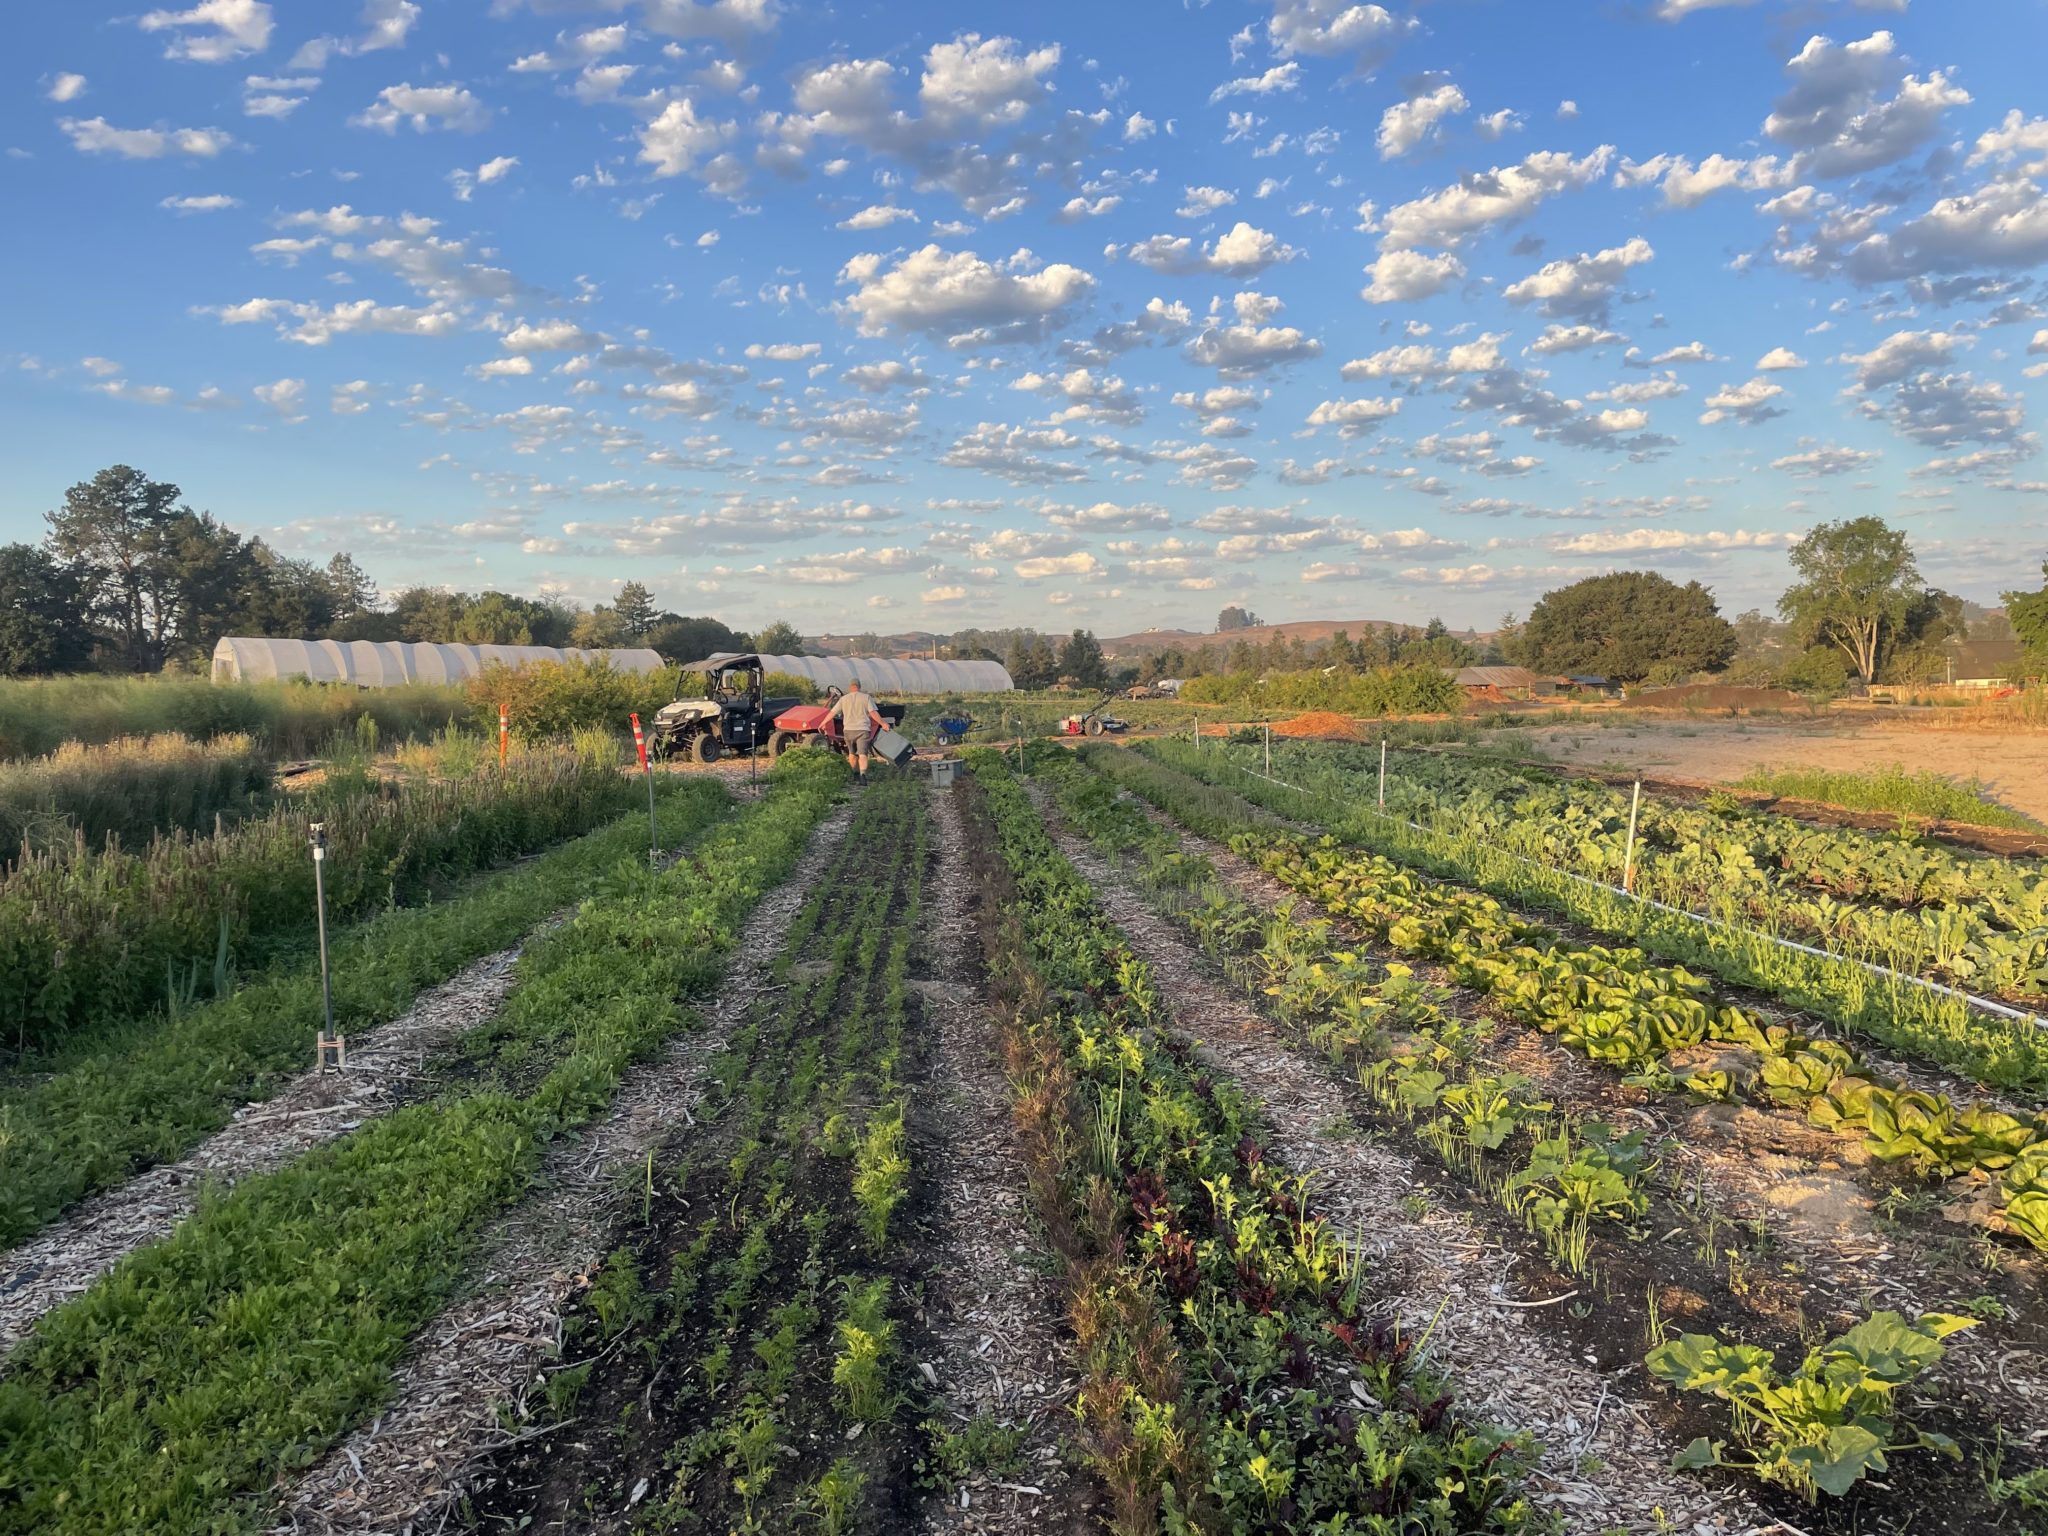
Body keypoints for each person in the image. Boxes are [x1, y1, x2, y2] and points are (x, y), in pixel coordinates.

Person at [822, 676, 886, 783]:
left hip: (848, 730)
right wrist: (883, 724)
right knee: (862, 754)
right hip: (862, 730)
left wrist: (823, 723)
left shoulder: (843, 699)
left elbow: (832, 713)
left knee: (851, 753)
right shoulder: (866, 698)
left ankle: (854, 774)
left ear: (850, 687)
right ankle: (863, 775)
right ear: (859, 687)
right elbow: (873, 713)